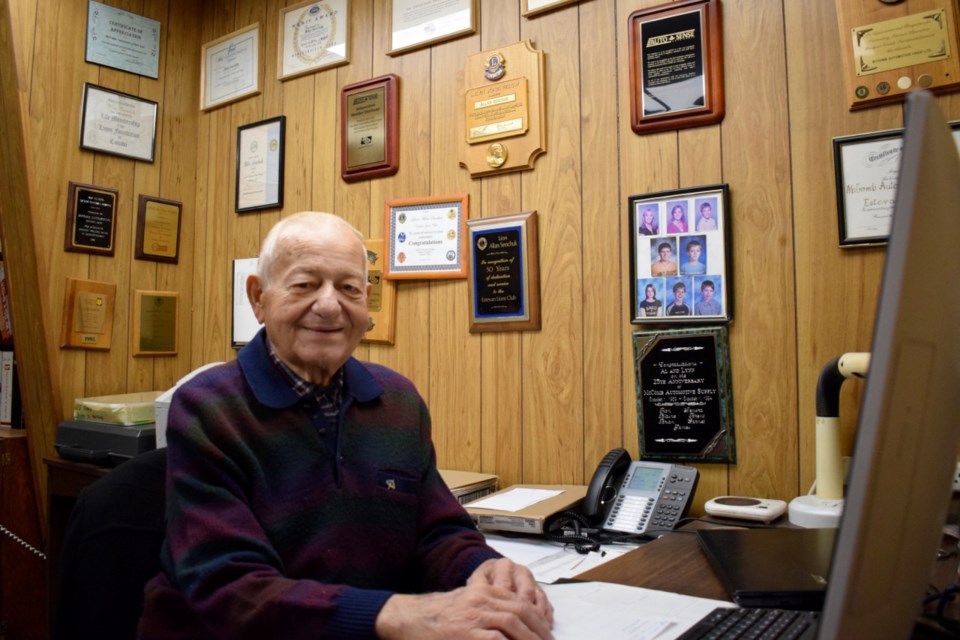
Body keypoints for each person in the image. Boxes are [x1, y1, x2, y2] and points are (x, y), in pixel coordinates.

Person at [138, 212, 554, 640]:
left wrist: (483, 567)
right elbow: (232, 588)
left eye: (348, 287)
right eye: (304, 284)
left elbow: (437, 531)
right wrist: (399, 615)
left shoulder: (398, 402)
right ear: (258, 297)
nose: (329, 304)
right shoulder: (208, 408)